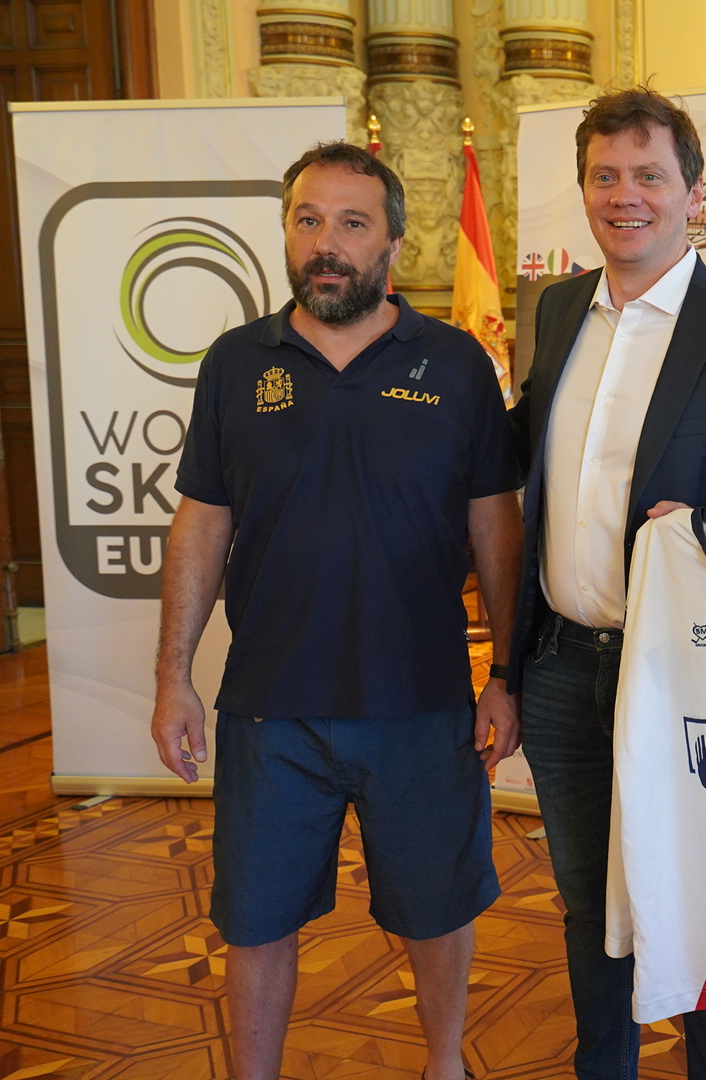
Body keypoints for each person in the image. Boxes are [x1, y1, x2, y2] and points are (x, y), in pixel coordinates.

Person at [151, 141, 524, 1080]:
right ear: (287, 234)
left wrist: (507, 675)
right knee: (256, 920)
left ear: (393, 242)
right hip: (270, 710)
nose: (327, 242)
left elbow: (496, 527)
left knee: (437, 910)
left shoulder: (456, 363)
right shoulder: (236, 363)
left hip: (424, 705)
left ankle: (445, 1066)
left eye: (353, 223)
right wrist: (172, 679)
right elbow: (201, 525)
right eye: (308, 220)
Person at [507, 87, 706, 1080]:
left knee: (700, 897)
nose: (623, 196)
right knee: (587, 901)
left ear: (693, 192)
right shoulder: (557, 312)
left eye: (647, 175)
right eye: (603, 176)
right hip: (559, 666)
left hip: (685, 673)